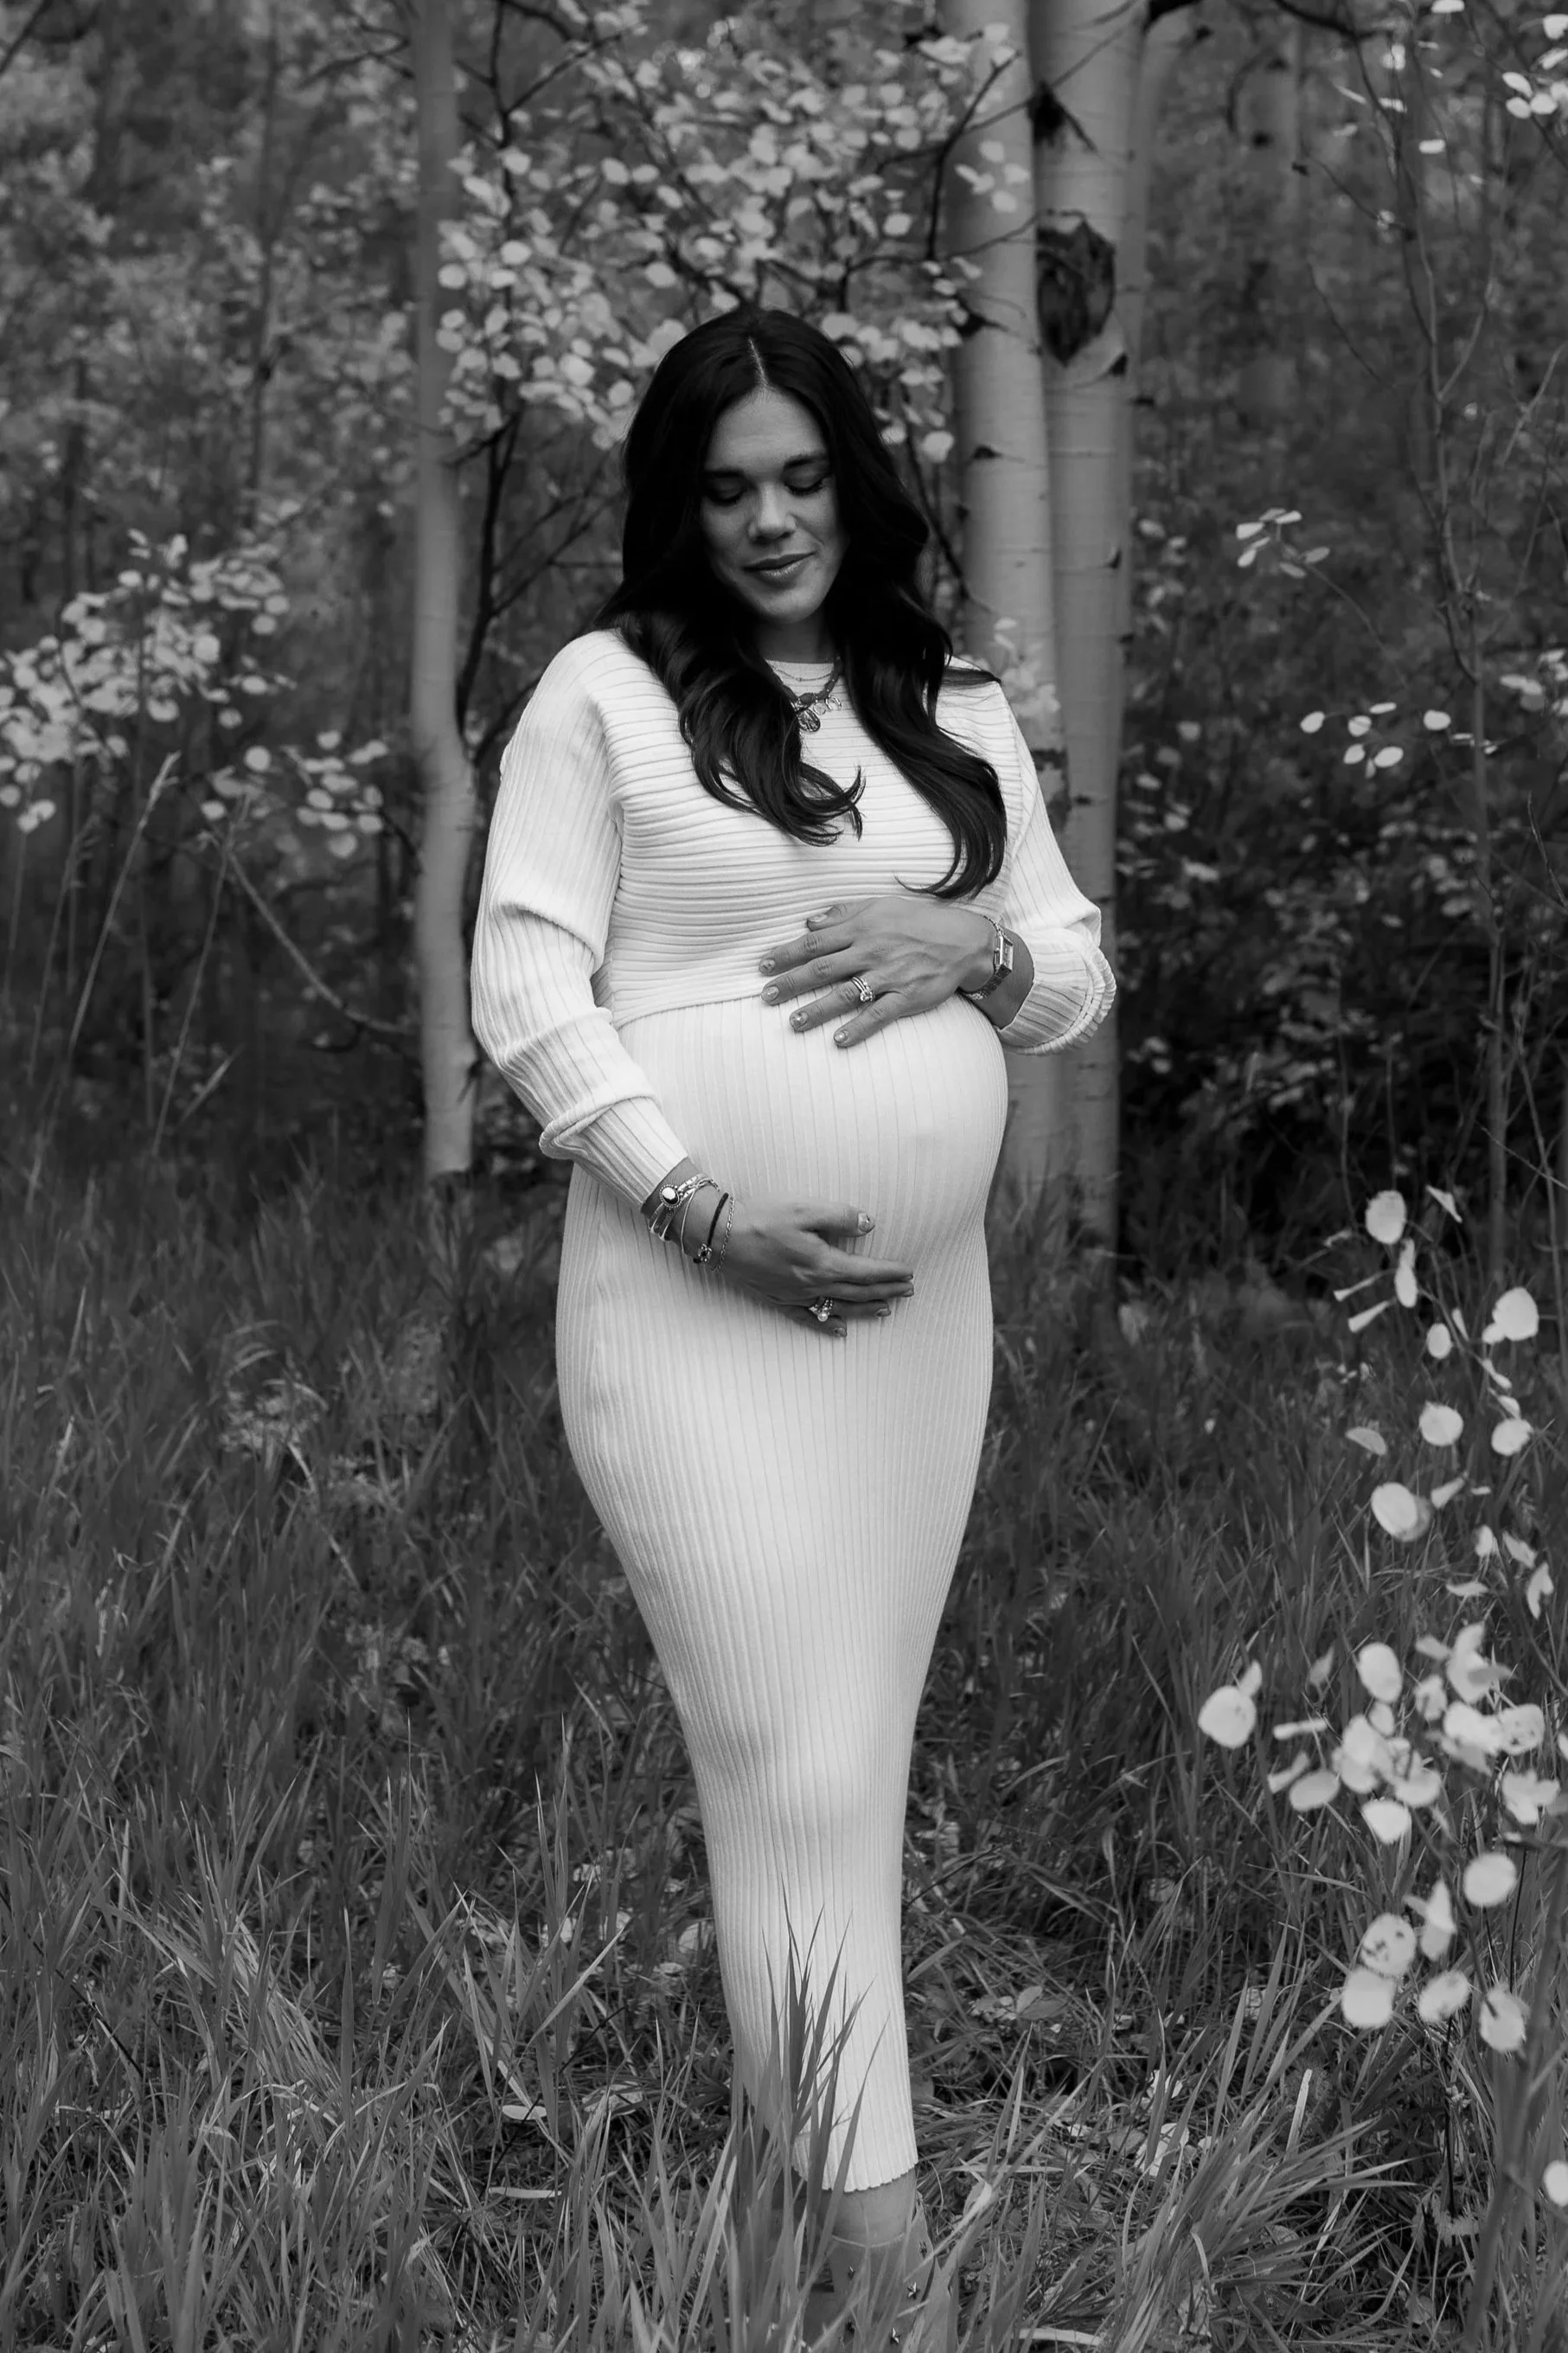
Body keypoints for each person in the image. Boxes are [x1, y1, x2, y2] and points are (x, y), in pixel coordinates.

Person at [470, 305, 1113, 2350]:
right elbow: (525, 990)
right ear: (682, 504)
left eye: (803, 476)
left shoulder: (944, 695)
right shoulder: (607, 695)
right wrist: (702, 1202)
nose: (769, 520)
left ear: (856, 474)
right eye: (727, 485)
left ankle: (818, 2212)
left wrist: (972, 933)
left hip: (923, 1330)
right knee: (797, 1764)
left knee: (846, 1766)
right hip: (692, 1311)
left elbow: (1075, 969)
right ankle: (883, 2273)